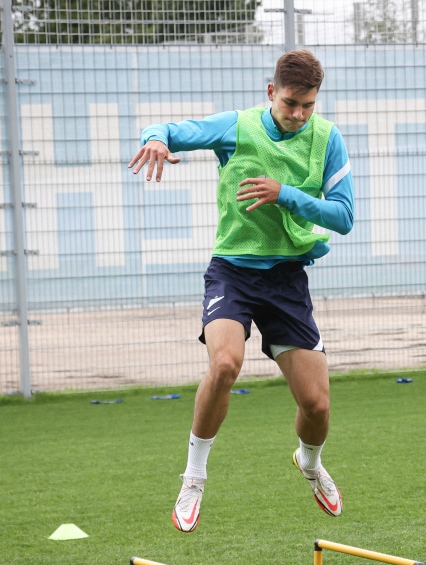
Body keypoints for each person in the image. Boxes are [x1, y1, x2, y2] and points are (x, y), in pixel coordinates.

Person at [128, 50, 354, 532]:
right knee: (225, 363)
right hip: (232, 272)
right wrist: (154, 139)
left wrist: (285, 193)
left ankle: (310, 464)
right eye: (291, 103)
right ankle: (193, 476)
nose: (298, 115)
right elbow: (170, 128)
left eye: (308, 106)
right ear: (271, 92)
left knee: (316, 406)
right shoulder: (237, 127)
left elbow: (344, 217)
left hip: (288, 281)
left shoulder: (327, 139)